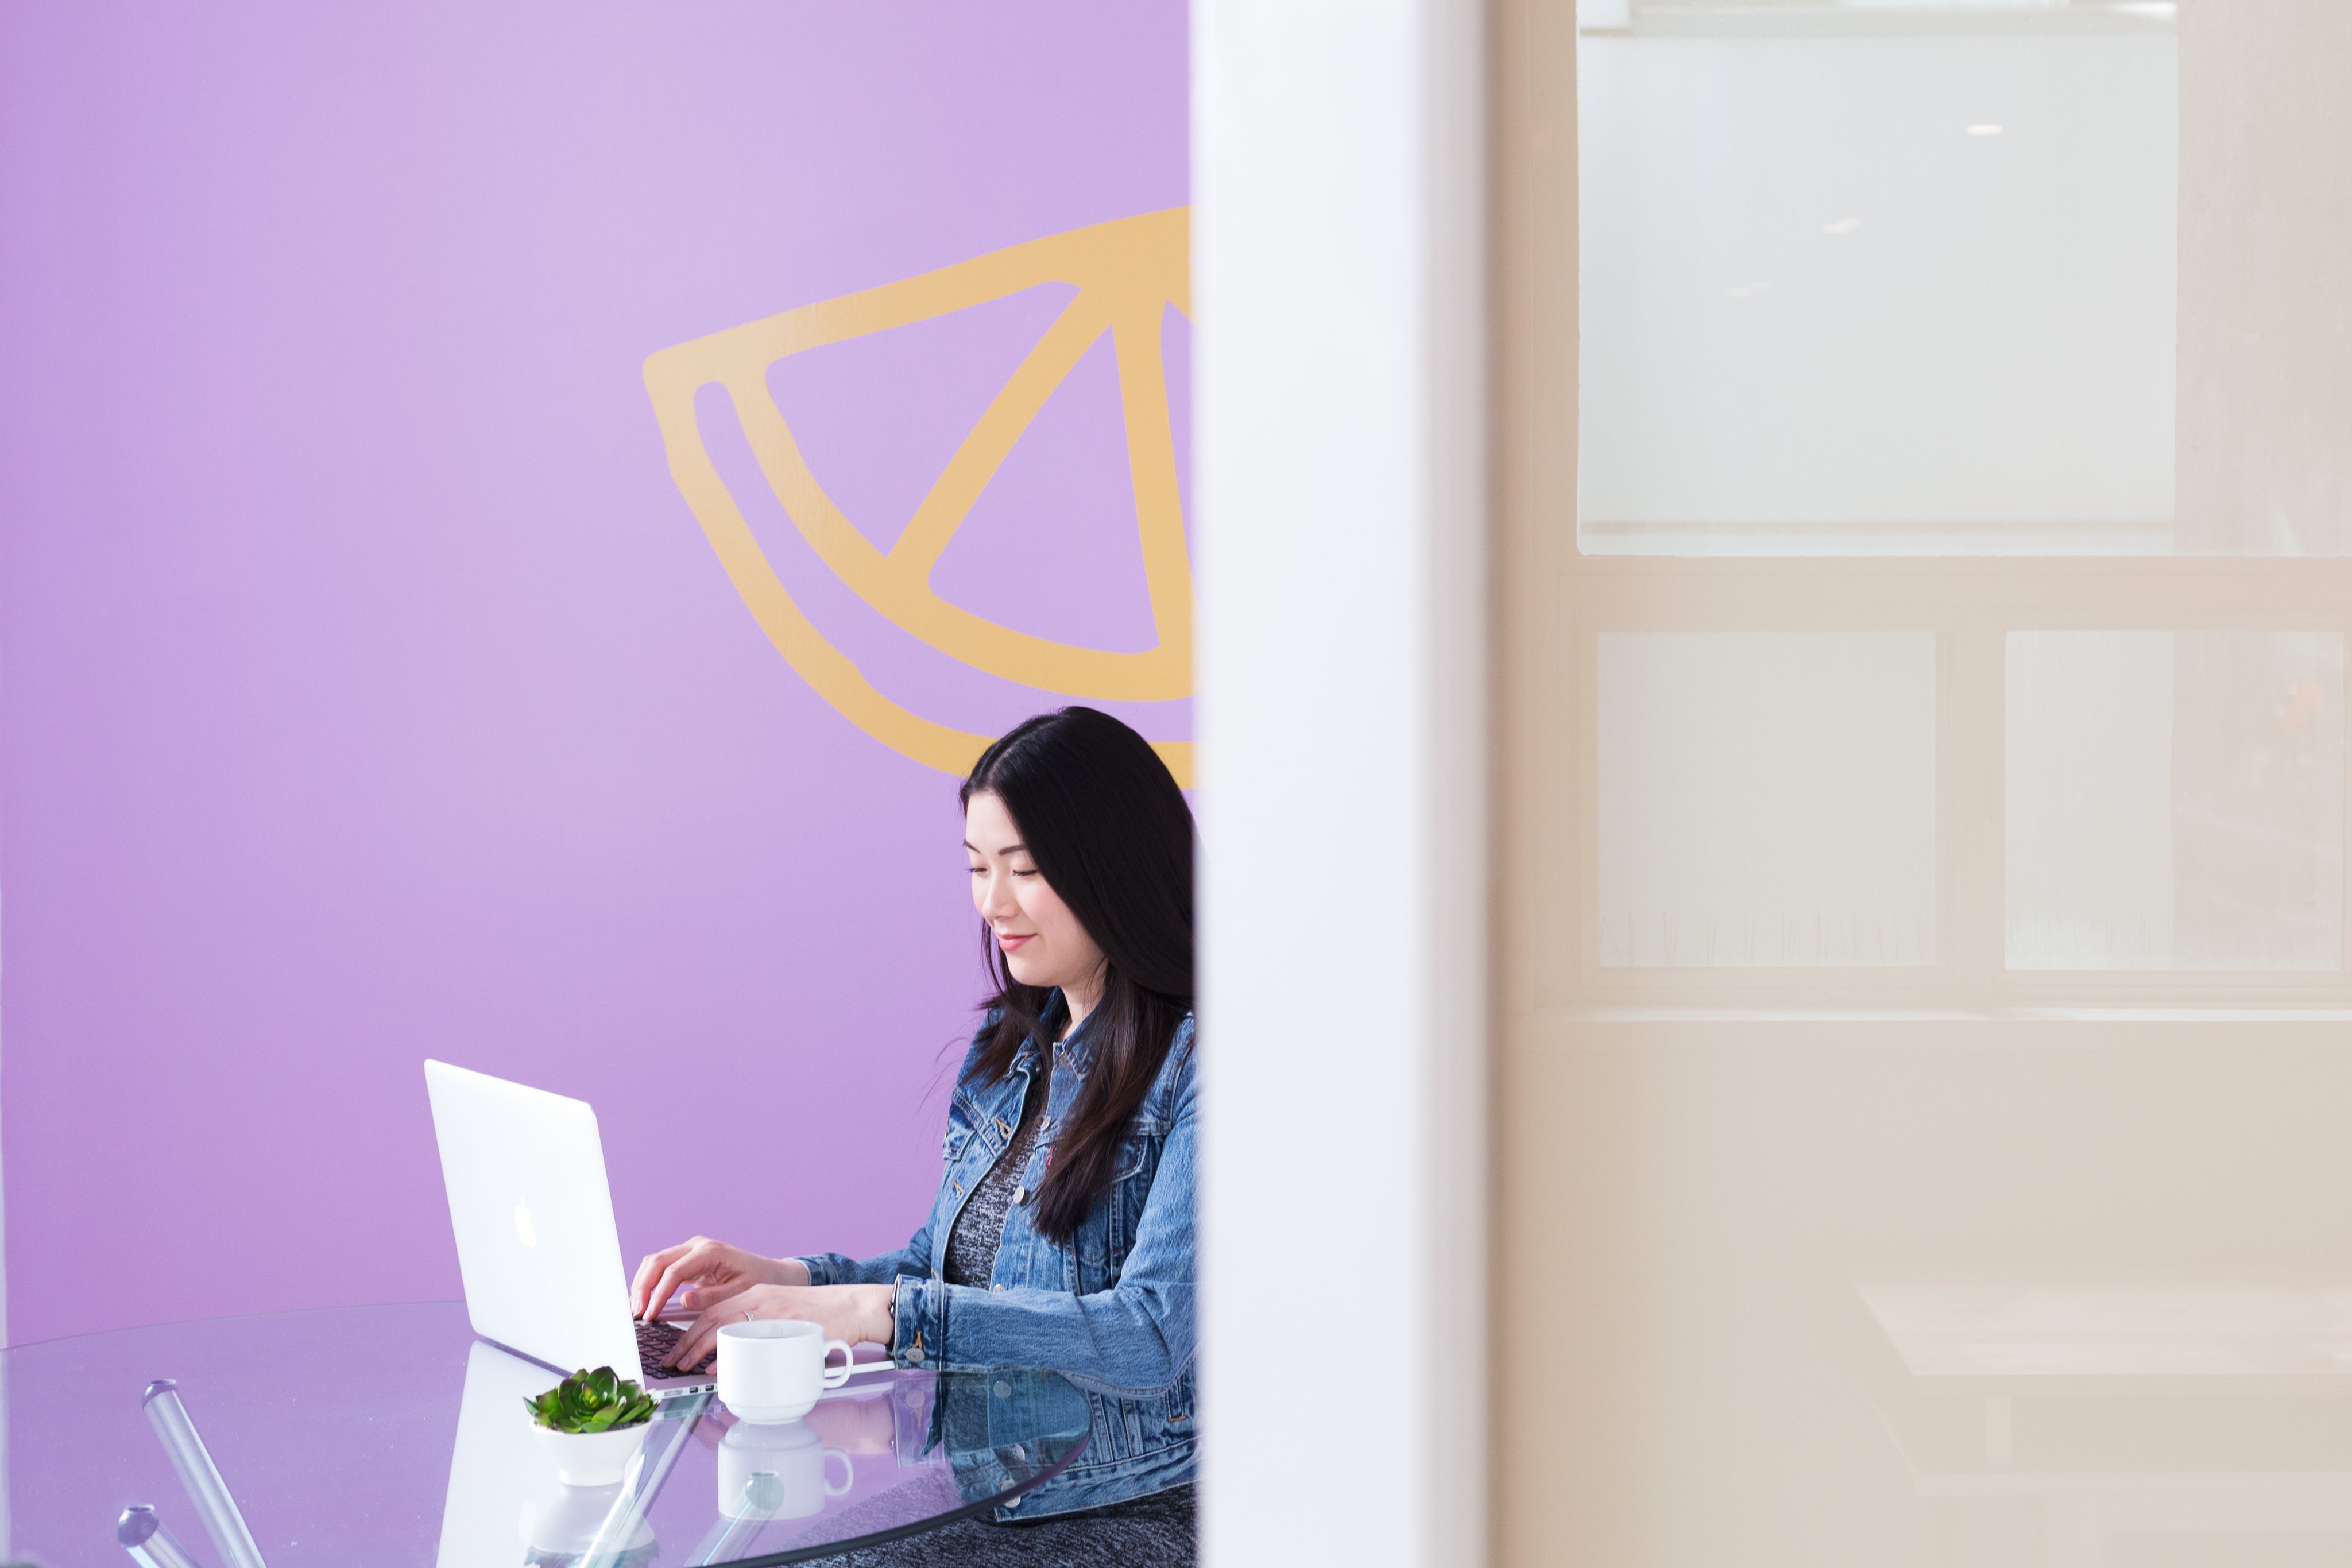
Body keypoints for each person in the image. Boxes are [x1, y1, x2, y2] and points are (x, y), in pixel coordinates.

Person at [630, 707, 1198, 1563]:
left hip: (1135, 1503)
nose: (993, 903)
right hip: (991, 1485)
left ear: (1113, 869)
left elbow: (1149, 1335)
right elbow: (943, 1267)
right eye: (977, 867)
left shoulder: (1204, 1064)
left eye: (1025, 869)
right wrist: (790, 1282)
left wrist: (872, 1315)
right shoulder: (1011, 1046)